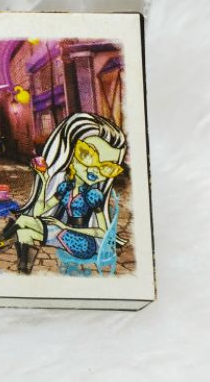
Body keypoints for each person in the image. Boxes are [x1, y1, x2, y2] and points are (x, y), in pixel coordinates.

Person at [14, 113, 126, 270]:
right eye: (87, 155)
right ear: (70, 153)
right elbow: (39, 211)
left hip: (82, 243)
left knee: (25, 230)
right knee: (23, 226)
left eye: (108, 167)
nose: (95, 169)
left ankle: (13, 265)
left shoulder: (93, 195)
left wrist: (65, 227)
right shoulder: (66, 188)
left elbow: (102, 232)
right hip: (64, 232)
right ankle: (23, 272)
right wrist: (44, 183)